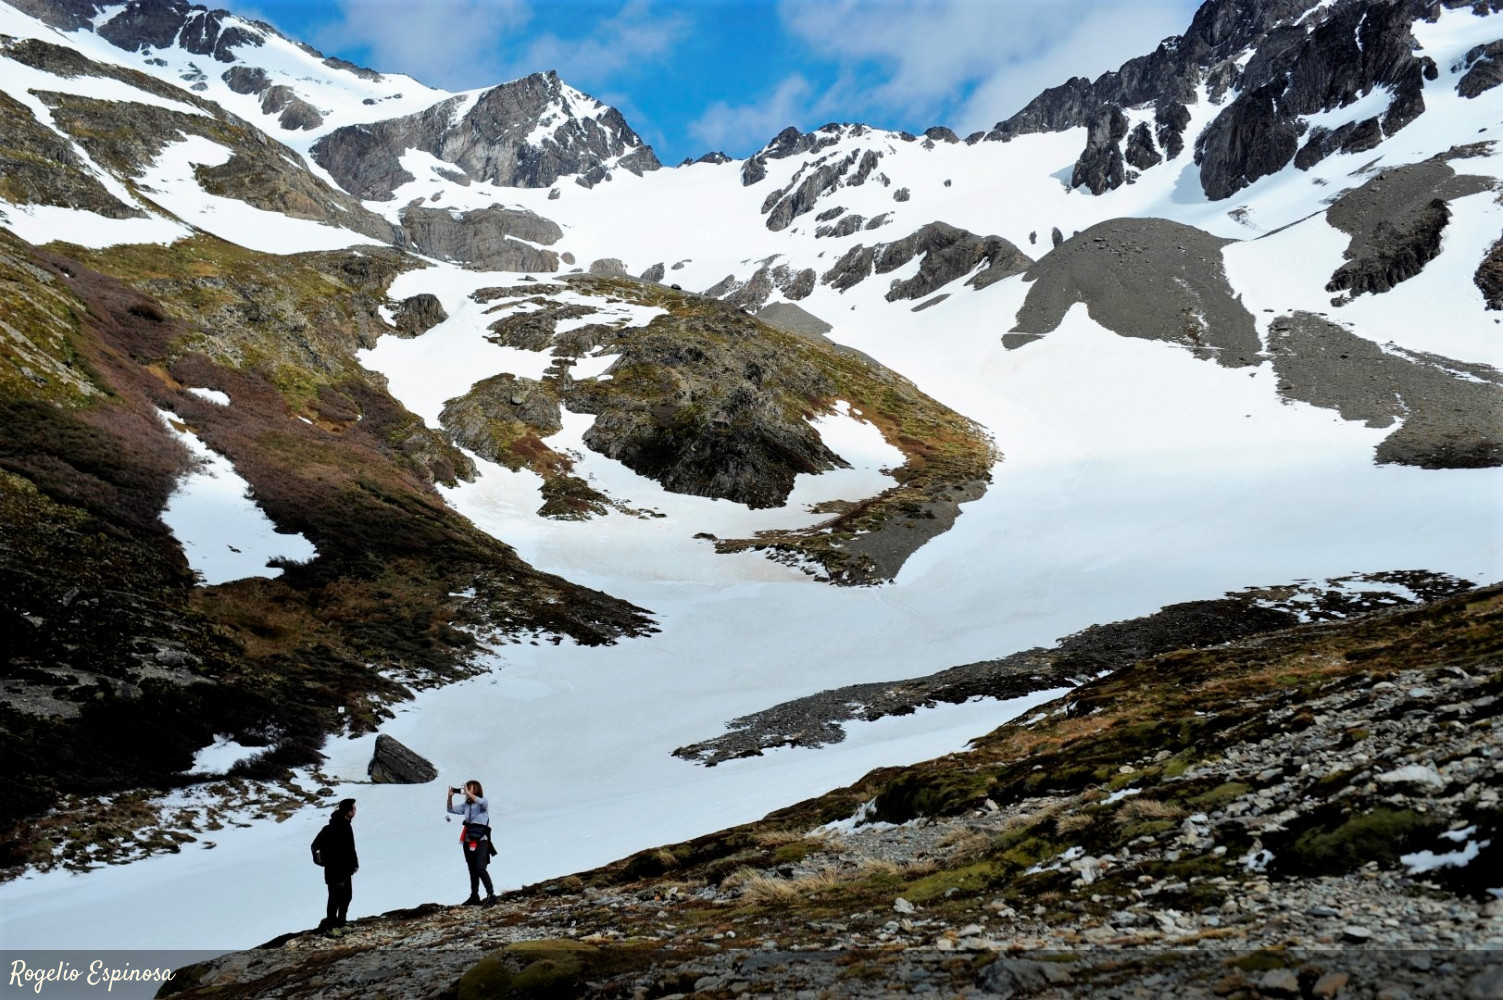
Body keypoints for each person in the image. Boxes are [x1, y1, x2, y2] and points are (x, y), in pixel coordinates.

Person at [310, 798, 358, 936]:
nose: (355, 810)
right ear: (348, 811)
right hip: (334, 870)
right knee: (335, 898)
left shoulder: (347, 826)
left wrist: (354, 864)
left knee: (346, 896)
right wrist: (323, 862)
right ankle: (331, 927)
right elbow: (315, 846)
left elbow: (350, 848)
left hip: (346, 870)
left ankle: (341, 924)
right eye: (353, 808)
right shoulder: (331, 828)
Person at [446, 780, 497, 906]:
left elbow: (481, 801)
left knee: (480, 867)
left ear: (477, 789)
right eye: (466, 788)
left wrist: (469, 794)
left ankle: (491, 895)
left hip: (481, 840)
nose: (467, 790)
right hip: (468, 840)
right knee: (472, 869)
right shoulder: (466, 805)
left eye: (470, 788)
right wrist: (450, 797)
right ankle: (474, 896)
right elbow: (450, 809)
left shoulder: (482, 803)